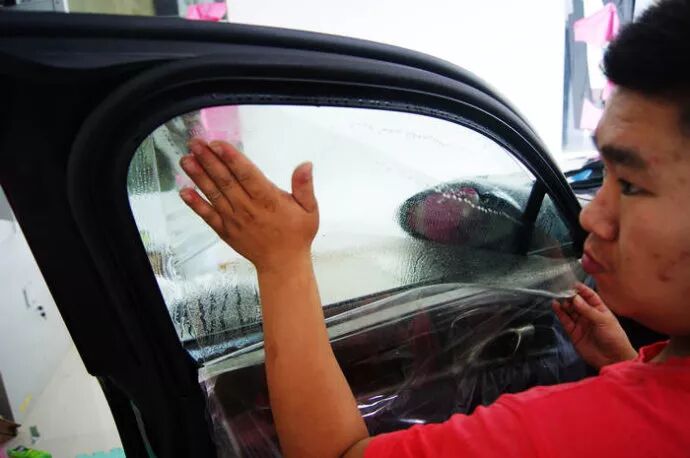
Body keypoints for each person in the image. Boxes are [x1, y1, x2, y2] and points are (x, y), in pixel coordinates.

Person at [178, 0, 690, 456]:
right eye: (605, 175)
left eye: (631, 185)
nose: (591, 215)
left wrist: (282, 262)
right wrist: (628, 366)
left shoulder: (587, 426)